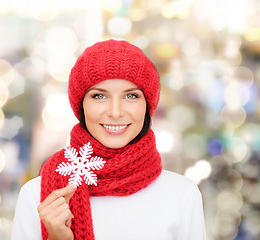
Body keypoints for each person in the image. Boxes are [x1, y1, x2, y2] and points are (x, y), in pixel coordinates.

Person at [12, 39, 206, 240]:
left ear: (147, 105)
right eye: (99, 96)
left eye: (131, 96)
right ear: (81, 105)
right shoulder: (38, 196)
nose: (115, 112)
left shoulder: (182, 194)